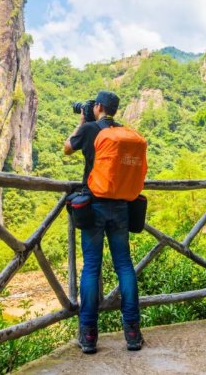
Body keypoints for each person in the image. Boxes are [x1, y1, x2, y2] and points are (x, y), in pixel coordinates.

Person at [63, 90, 146, 354]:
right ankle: (132, 332)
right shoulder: (124, 135)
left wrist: (81, 122)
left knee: (91, 268)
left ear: (97, 106)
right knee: (124, 266)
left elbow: (66, 149)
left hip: (94, 205)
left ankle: (88, 335)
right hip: (121, 206)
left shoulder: (89, 129)